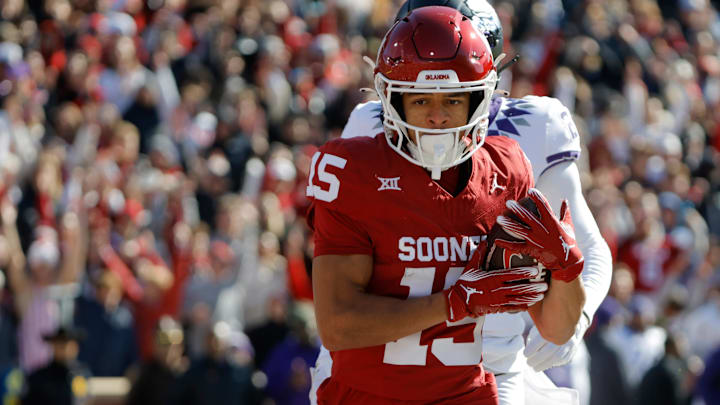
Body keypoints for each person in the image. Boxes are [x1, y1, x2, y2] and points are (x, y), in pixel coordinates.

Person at [311, 1, 613, 404]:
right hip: (369, 387)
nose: (436, 116)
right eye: (420, 100)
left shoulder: (510, 164)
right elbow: (338, 323)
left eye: (453, 98)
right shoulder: (356, 160)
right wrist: (455, 303)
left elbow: (569, 290)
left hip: (484, 375)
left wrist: (566, 268)